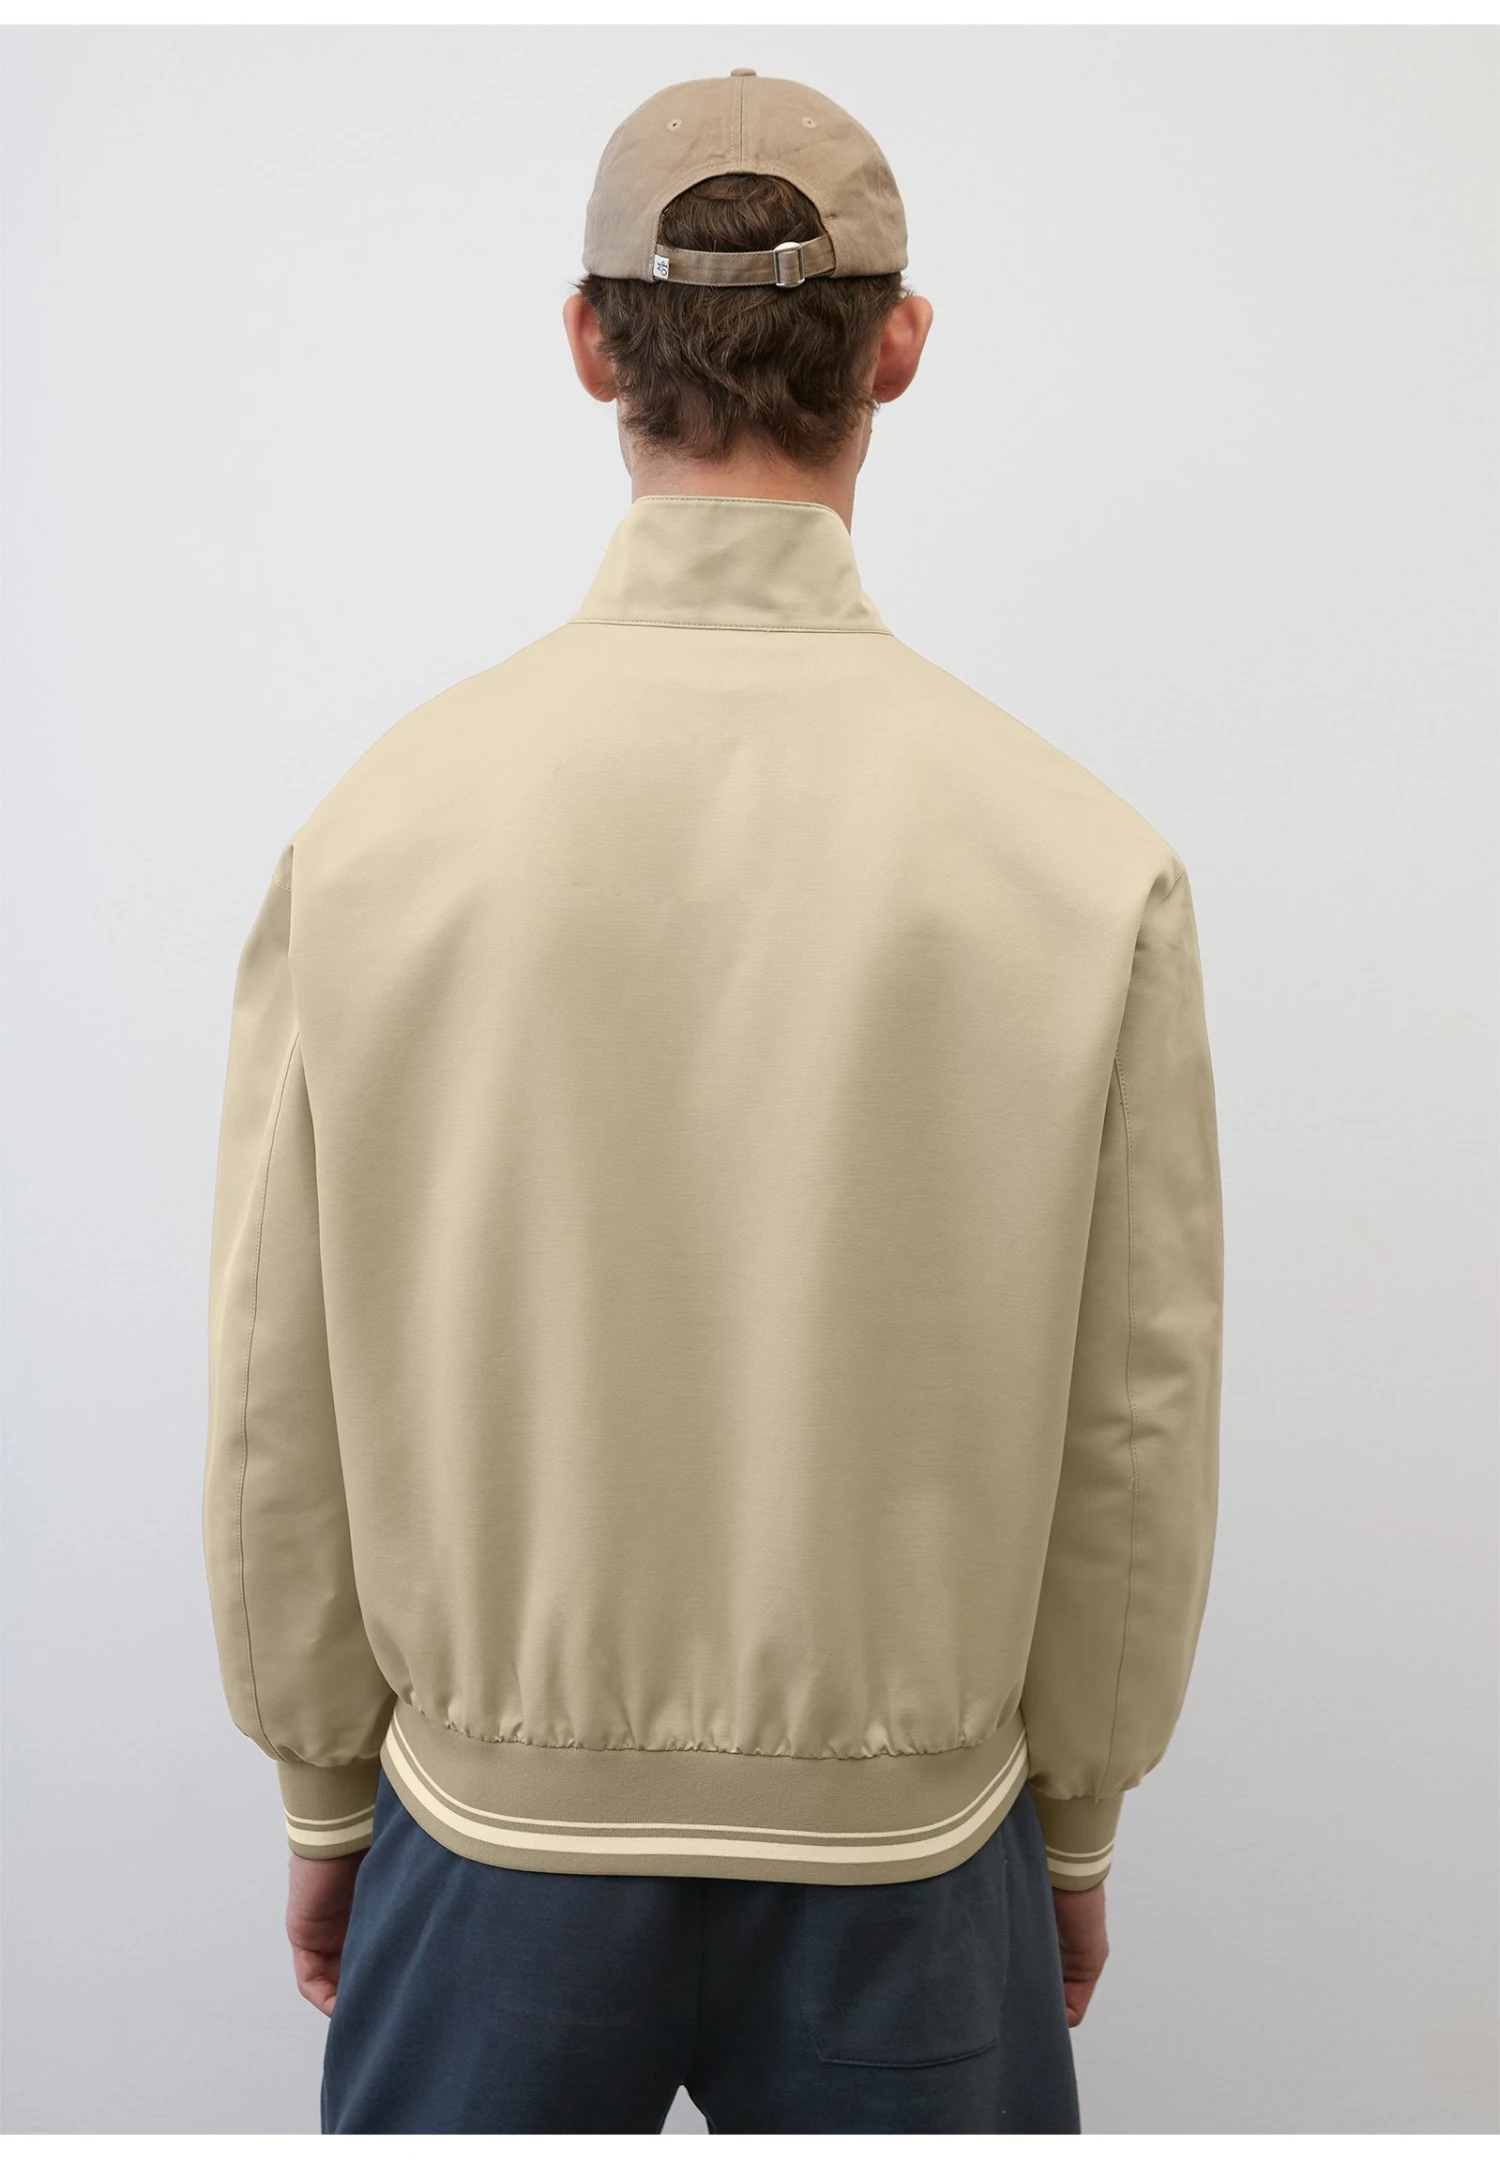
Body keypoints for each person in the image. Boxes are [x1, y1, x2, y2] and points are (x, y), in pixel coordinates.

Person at [203, 69, 1223, 2136]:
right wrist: (1081, 1813)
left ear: (592, 341)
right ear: (898, 347)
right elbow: (1137, 1413)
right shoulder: (1079, 862)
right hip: (914, 1852)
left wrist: (320, 1778)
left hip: (487, 1830)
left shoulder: (382, 836)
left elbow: (270, 1377)